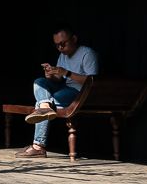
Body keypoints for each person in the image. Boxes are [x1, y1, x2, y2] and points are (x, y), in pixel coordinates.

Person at [20, 28, 98, 158]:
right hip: (64, 88)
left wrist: (66, 73)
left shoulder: (87, 54)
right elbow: (60, 79)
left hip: (80, 93)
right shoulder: (63, 55)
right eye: (57, 45)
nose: (60, 47)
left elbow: (92, 81)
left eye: (63, 43)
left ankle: (38, 146)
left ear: (74, 39)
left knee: (44, 101)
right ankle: (45, 106)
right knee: (39, 82)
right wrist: (51, 75)